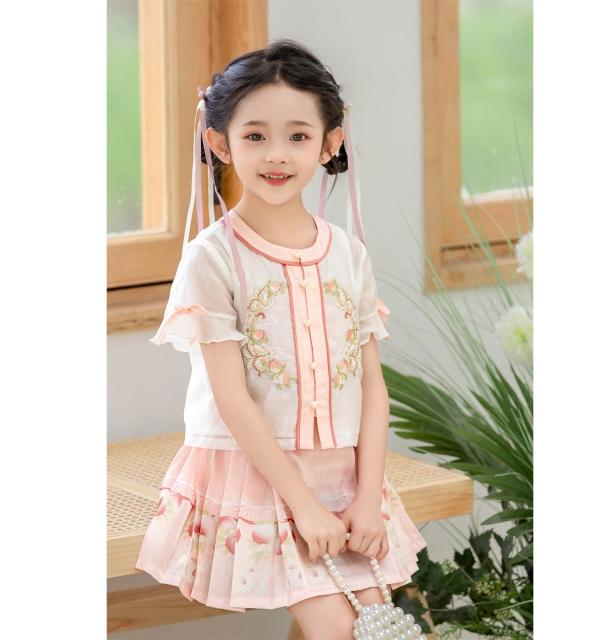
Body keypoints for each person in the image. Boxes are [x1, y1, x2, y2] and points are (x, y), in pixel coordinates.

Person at [135, 38, 427, 638]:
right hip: (259, 476)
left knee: (386, 628)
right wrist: (303, 504)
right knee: (341, 630)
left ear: (330, 142)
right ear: (220, 143)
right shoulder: (213, 258)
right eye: (255, 135)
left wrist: (366, 498)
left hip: (346, 477)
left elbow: (373, 385)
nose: (276, 154)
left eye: (297, 136)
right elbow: (230, 397)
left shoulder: (347, 253)